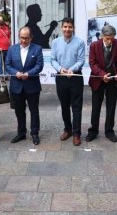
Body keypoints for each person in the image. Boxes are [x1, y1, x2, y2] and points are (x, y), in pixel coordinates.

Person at [5, 26, 44, 145]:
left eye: (26, 38)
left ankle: (34, 133)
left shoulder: (37, 49)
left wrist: (29, 74)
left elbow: (39, 66)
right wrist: (15, 73)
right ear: (18, 37)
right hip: (16, 86)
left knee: (34, 111)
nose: (24, 40)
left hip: (32, 85)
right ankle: (21, 133)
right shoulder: (12, 49)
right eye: (22, 38)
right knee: (19, 111)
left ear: (31, 38)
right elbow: (7, 65)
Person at [86, 25, 117, 143]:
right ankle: (93, 131)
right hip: (98, 79)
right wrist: (102, 75)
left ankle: (109, 131)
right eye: (107, 38)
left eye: (112, 38)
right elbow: (92, 63)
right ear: (102, 36)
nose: (109, 41)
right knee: (96, 106)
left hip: (113, 80)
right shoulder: (94, 45)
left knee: (111, 107)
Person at [51, 18, 85, 146]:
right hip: (61, 77)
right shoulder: (55, 42)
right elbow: (53, 60)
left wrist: (71, 70)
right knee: (64, 106)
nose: (67, 29)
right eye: (65, 27)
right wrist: (60, 69)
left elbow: (81, 60)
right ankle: (68, 129)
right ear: (61, 28)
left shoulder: (80, 42)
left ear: (73, 28)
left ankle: (76, 133)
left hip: (75, 77)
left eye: (70, 27)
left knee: (76, 107)